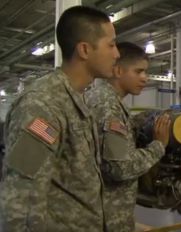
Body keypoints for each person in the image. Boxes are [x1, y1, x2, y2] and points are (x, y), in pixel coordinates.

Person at [0, 6, 120, 231]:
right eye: (111, 45)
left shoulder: (76, 99)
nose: (117, 54)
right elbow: (21, 203)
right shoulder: (44, 106)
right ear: (84, 50)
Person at [85, 42, 170, 232]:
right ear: (117, 71)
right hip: (108, 215)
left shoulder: (95, 97)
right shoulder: (110, 107)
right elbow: (120, 168)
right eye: (138, 71)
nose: (145, 78)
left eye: (146, 72)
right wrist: (158, 145)